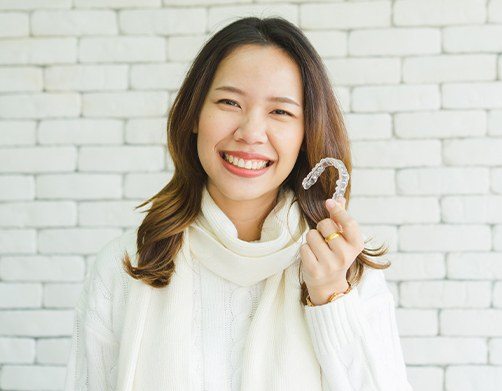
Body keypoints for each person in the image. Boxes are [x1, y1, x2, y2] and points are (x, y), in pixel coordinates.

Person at [64, 16, 413, 391]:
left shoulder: (349, 273)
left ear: (305, 133)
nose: (250, 133)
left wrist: (330, 298)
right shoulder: (125, 267)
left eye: (280, 111)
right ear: (195, 114)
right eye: (230, 102)